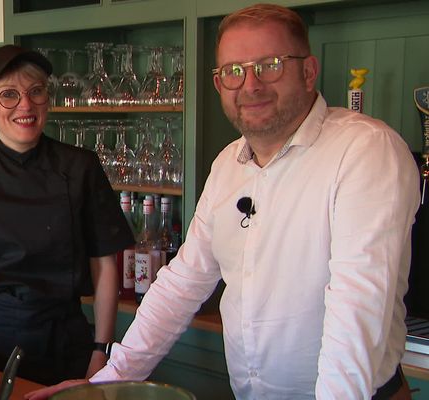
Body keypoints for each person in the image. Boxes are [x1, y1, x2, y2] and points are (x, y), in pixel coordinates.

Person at [25, 3, 419, 400]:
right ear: (218, 85)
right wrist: (105, 386)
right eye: (234, 71)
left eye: (271, 64)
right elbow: (183, 283)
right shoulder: (229, 163)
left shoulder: (365, 150)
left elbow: (357, 307)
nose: (250, 85)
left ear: (308, 71)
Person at [0, 44, 135, 385]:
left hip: (66, 342)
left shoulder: (80, 167)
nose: (26, 105)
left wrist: (101, 350)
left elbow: (104, 266)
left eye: (36, 92)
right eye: (9, 95)